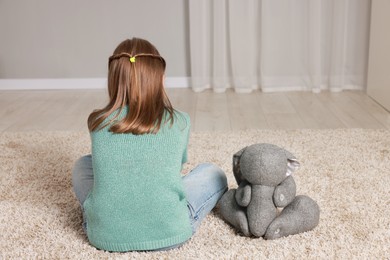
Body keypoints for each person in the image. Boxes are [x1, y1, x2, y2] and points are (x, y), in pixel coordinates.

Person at [72, 38, 228, 252]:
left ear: (113, 80)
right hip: (170, 234)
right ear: (160, 79)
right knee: (212, 172)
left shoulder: (97, 122)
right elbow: (177, 166)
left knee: (82, 165)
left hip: (105, 236)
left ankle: (102, 215)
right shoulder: (180, 121)